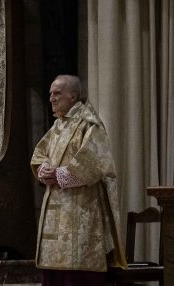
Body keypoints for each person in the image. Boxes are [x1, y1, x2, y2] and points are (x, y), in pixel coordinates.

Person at [31, 75, 126, 285]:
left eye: (57, 93)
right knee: (53, 271)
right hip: (55, 210)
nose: (51, 99)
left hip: (81, 208)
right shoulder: (59, 126)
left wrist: (58, 175)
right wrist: (43, 170)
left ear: (73, 95)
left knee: (78, 273)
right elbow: (40, 154)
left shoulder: (89, 123)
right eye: (50, 94)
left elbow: (94, 164)